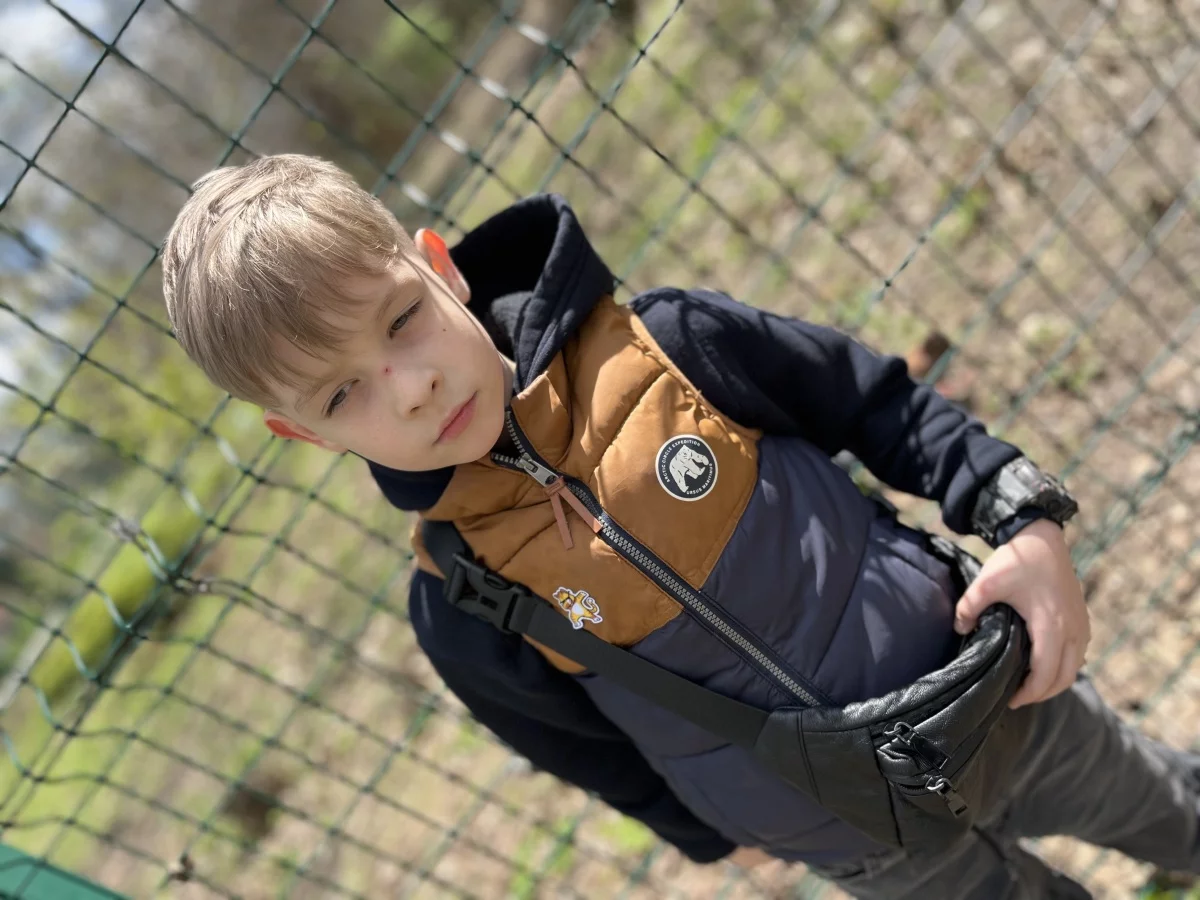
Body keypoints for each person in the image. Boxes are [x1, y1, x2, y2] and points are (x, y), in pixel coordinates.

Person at [160, 154, 1200, 898]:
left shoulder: (669, 347)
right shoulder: (459, 593)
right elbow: (582, 750)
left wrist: (1024, 519)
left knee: (1173, 814)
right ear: (303, 434)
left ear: (441, 265)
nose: (412, 386)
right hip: (863, 841)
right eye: (344, 395)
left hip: (1002, 696)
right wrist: (709, 834)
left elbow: (876, 405)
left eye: (401, 320)